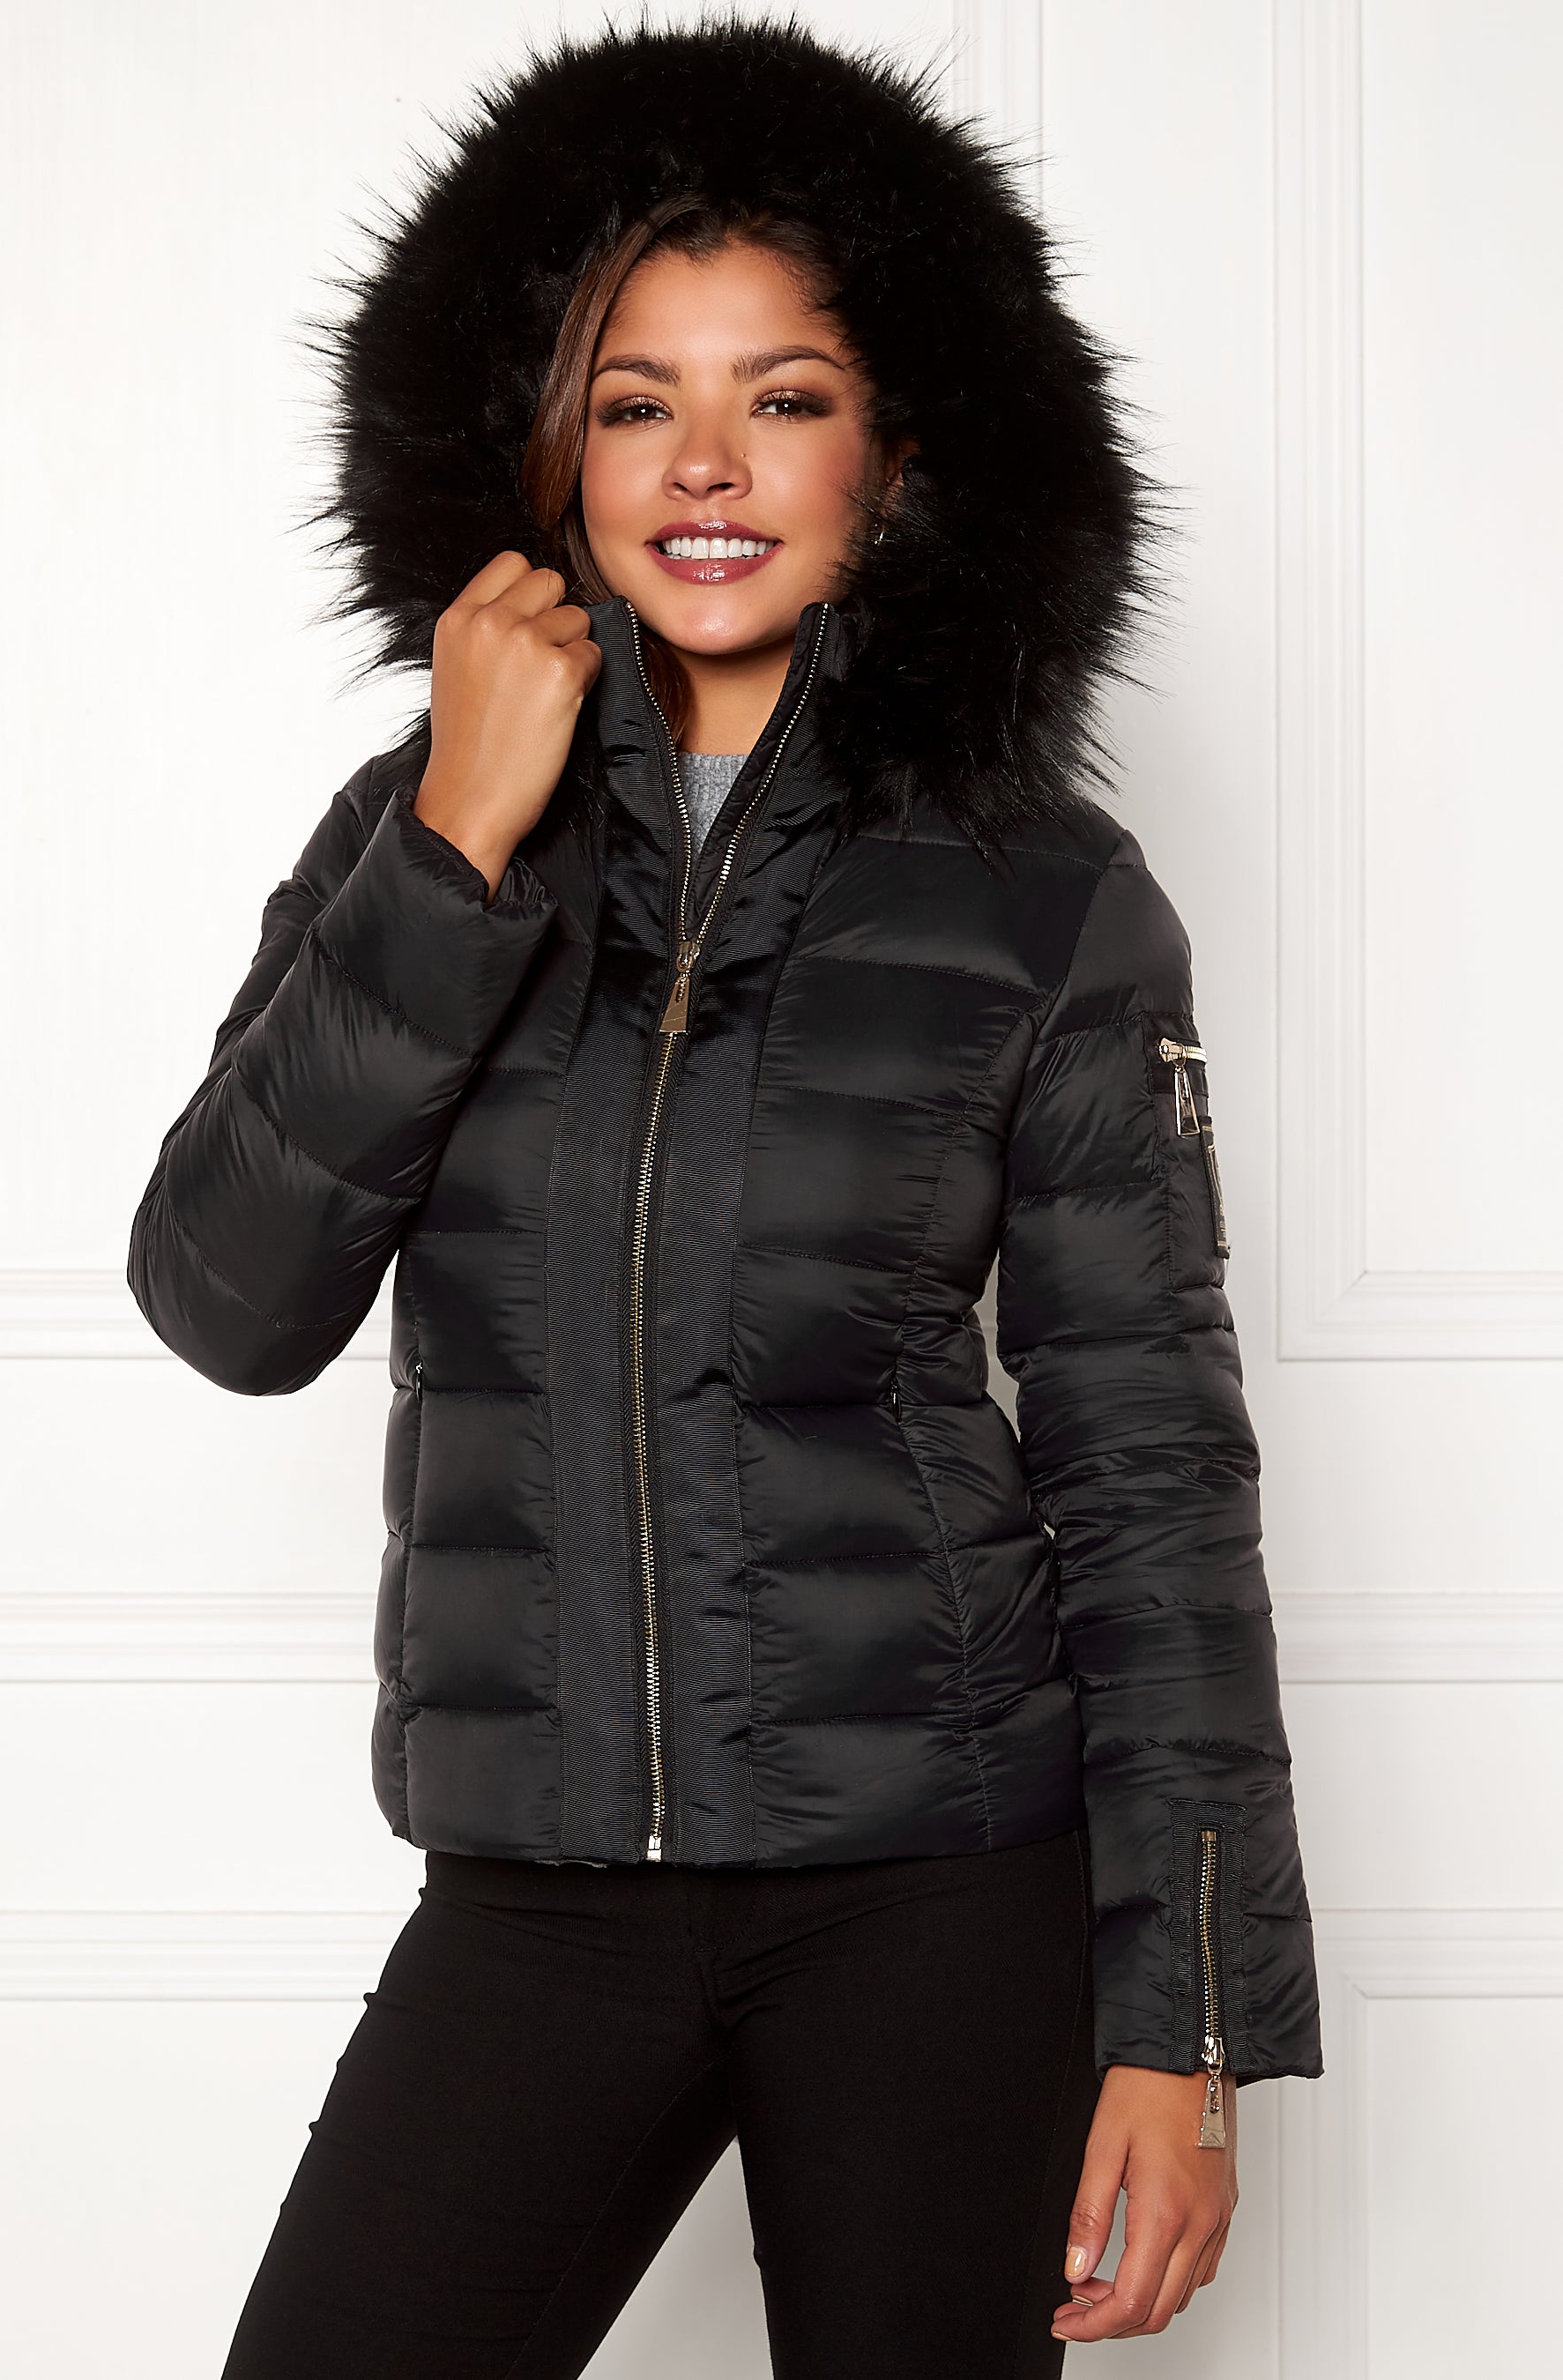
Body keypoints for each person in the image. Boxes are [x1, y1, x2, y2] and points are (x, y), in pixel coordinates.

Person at [128, 18, 1321, 2377]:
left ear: (898, 455)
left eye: (782, 396)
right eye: (633, 399)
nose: (703, 464)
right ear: (539, 448)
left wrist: (1183, 2025)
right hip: (541, 1884)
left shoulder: (1044, 894)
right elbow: (230, 1297)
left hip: (940, 1888)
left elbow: (1151, 1470)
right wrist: (458, 848)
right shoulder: (418, 832)